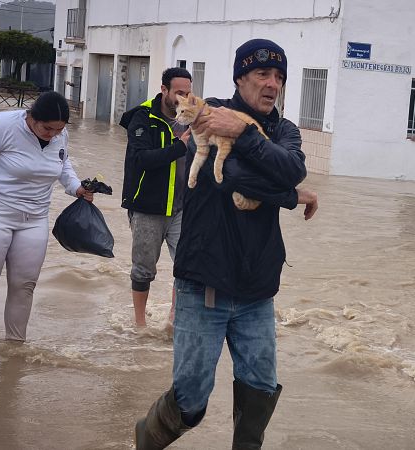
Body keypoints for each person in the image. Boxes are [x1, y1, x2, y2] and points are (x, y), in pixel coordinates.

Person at [135, 38, 319, 449]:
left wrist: (249, 140)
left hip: (257, 285)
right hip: (205, 281)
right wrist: (290, 196)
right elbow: (228, 175)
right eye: (262, 74)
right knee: (190, 404)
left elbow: (290, 169)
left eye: (279, 77)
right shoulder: (210, 113)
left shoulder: (284, 130)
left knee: (260, 391)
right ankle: (145, 439)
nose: (272, 84)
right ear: (240, 77)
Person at [0, 91, 95, 342]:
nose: (54, 134)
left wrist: (77, 187)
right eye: (48, 128)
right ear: (31, 118)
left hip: (34, 218)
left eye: (59, 130)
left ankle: (14, 348)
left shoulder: (60, 135)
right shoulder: (3, 125)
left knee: (24, 285)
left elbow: (63, 164)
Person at [120, 67, 193, 328]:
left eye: (188, 93)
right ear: (164, 90)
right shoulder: (142, 119)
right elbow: (141, 160)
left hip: (182, 208)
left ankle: (174, 318)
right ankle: (139, 324)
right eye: (179, 93)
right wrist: (179, 146)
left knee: (188, 266)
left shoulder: (192, 118)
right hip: (147, 208)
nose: (184, 99)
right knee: (143, 270)